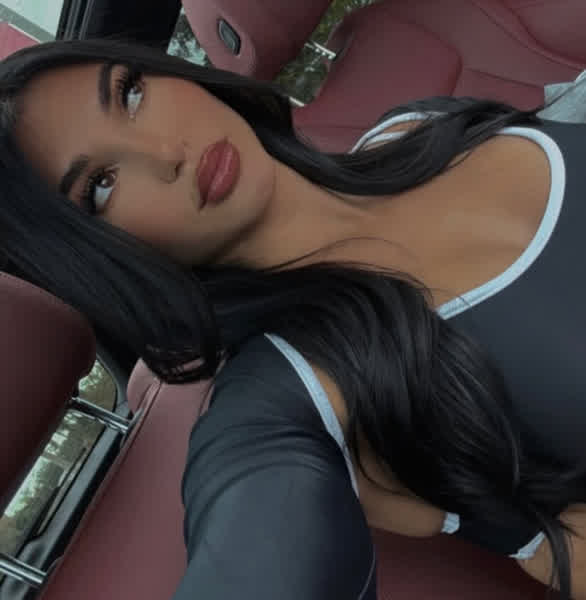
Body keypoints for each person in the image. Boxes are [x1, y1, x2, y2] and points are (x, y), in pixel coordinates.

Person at [0, 38, 585, 599]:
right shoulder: (289, 404)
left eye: (130, 93)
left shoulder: (417, 126)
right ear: (98, 260)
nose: (166, 151)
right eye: (101, 187)